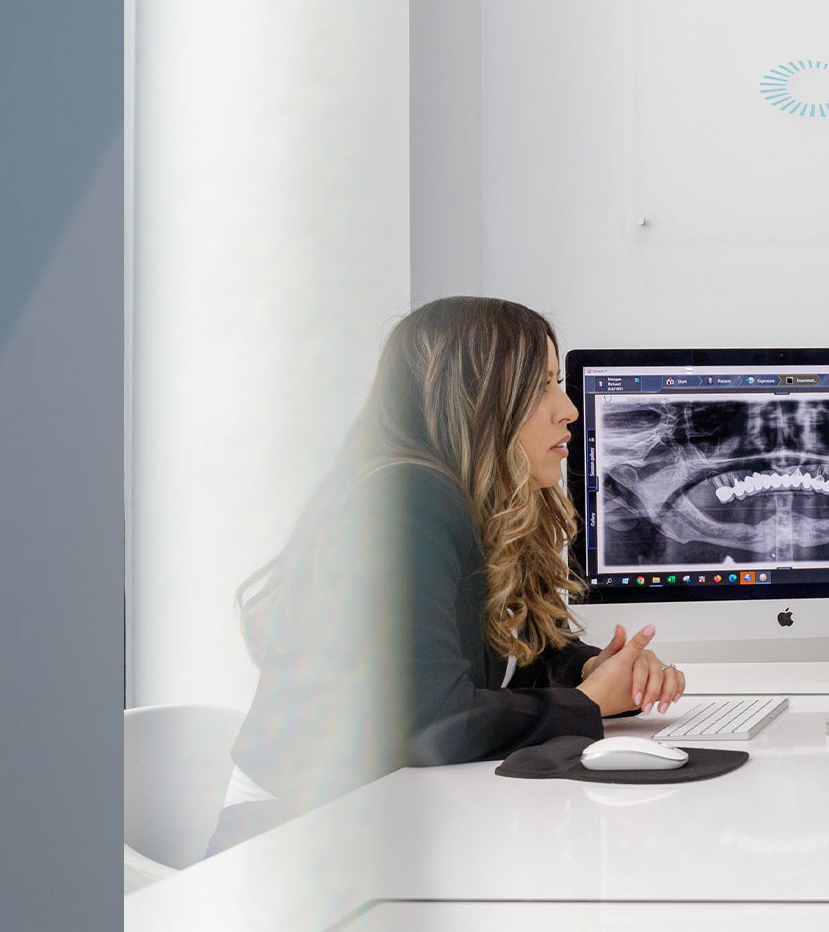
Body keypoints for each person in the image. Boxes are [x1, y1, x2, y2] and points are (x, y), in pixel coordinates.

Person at [209, 297, 685, 853]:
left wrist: (596, 671)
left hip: (390, 813)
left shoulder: (480, 500)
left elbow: (509, 658)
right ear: (474, 401)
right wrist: (587, 705)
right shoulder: (405, 502)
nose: (569, 410)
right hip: (295, 836)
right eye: (542, 386)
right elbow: (431, 721)